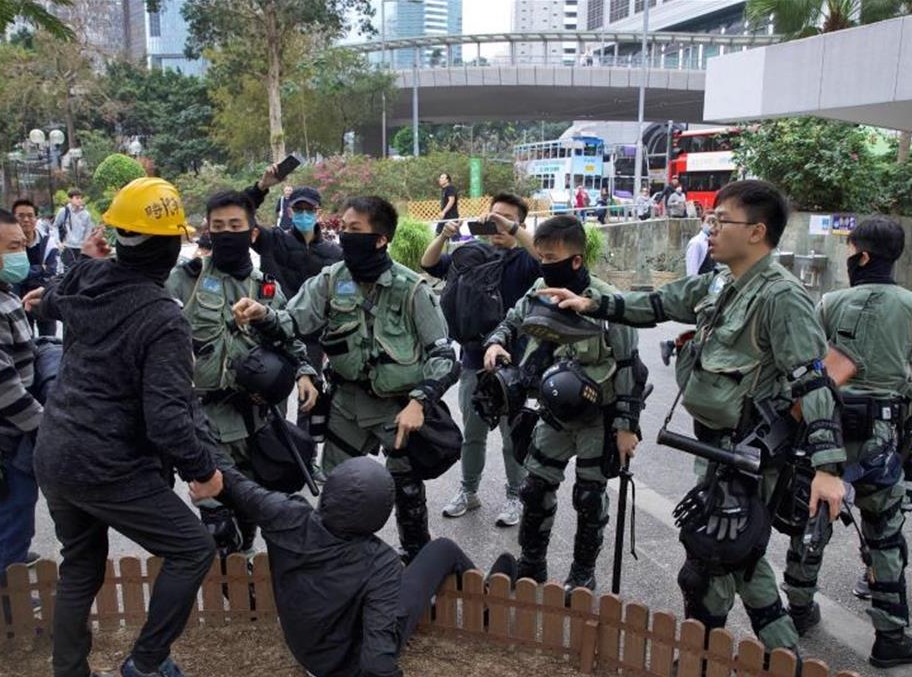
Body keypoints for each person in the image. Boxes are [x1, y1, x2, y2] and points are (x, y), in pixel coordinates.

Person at [540, 180, 847, 658]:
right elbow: (659, 305)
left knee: (721, 554)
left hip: (750, 452)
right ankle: (741, 660)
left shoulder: (781, 297)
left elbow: (812, 380)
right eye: (713, 218)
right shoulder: (719, 282)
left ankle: (755, 661)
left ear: (757, 232)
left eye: (722, 220)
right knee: (729, 556)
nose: (712, 227)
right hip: (715, 447)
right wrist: (593, 303)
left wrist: (827, 470)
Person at [29, 177, 222, 677]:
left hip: (58, 449)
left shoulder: (86, 275)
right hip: (108, 462)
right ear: (169, 246)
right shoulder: (161, 316)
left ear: (116, 237)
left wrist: (87, 258)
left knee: (81, 565)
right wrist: (202, 470)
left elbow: (48, 303)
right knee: (191, 549)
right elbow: (166, 418)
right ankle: (149, 659)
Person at [780, 217, 912, 668]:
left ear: (863, 255)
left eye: (851, 248)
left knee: (812, 517)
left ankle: (796, 611)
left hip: (827, 430)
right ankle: (890, 636)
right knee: (885, 533)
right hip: (883, 437)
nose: (849, 256)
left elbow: (808, 360)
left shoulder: (829, 302)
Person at [231, 195, 459, 564]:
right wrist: (262, 313)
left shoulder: (411, 288)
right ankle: (337, 564)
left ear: (381, 238)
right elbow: (294, 321)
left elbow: (445, 356)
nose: (346, 235)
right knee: (337, 492)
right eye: (344, 228)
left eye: (356, 230)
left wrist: (420, 402)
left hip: (397, 408)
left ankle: (416, 560)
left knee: (407, 489)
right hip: (346, 406)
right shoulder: (330, 280)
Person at [202, 452, 513, 677]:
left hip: (304, 649)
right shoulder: (381, 563)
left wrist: (203, 468)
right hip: (345, 670)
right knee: (442, 548)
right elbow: (376, 664)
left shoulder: (286, 514)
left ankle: (447, 599)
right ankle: (486, 603)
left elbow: (237, 484)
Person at [483, 215, 644, 593]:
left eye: (552, 256)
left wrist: (626, 428)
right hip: (552, 415)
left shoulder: (607, 303)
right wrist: (496, 341)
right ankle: (531, 564)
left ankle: (582, 573)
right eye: (540, 256)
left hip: (596, 418)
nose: (544, 264)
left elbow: (629, 370)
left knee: (589, 499)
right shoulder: (539, 290)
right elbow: (510, 321)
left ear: (576, 260)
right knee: (535, 490)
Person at [165, 190, 317, 556]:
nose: (226, 232)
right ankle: (230, 590)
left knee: (250, 512)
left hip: (254, 421)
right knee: (218, 525)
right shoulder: (187, 279)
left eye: (235, 225)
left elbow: (291, 339)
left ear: (252, 232)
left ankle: (248, 580)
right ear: (208, 231)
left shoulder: (266, 286)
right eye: (218, 226)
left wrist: (305, 371)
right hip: (205, 421)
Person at [420, 193, 541, 526]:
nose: (497, 224)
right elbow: (429, 264)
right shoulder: (473, 256)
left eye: (505, 218)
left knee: (512, 435)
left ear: (519, 222)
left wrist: (514, 231)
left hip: (513, 363)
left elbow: (544, 256)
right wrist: (444, 236)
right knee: (473, 433)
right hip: (473, 360)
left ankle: (516, 496)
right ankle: (468, 491)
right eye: (493, 217)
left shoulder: (526, 262)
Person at [243, 174, 344, 484]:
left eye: (308, 210)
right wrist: (261, 186)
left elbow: (337, 300)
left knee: (309, 402)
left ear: (318, 213)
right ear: (289, 211)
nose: (302, 214)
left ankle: (307, 460)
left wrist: (331, 340)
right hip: (273, 334)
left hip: (312, 339)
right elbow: (244, 215)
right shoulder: (273, 241)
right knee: (272, 400)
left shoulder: (334, 254)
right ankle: (272, 460)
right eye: (297, 209)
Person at [0, 208, 42, 618]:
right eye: (13, 247)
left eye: (24, 245)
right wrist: (47, 428)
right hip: (0, 435)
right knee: (7, 516)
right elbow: (4, 391)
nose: (23, 254)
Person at [11, 199, 60, 336]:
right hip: (18, 301)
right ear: (13, 218)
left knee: (50, 341)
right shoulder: (9, 245)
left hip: (43, 298)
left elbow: (52, 270)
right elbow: (14, 273)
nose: (26, 220)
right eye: (20, 216)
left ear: (36, 218)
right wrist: (40, 269)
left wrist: (26, 272)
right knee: (25, 342)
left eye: (30, 215)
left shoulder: (48, 242)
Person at [54, 189, 94, 271]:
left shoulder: (86, 214)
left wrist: (86, 245)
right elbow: (55, 226)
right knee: (68, 272)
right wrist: (58, 242)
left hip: (81, 247)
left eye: (80, 198)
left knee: (81, 271)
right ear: (70, 199)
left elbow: (88, 230)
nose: (80, 200)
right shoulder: (64, 211)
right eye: (77, 198)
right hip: (68, 247)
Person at [684, 213, 717, 277]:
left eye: (715, 222)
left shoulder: (713, 242)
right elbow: (692, 272)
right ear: (702, 224)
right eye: (709, 221)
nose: (712, 225)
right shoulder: (696, 243)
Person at [436, 172, 459, 237]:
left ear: (447, 180)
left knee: (454, 236)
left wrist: (443, 212)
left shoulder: (450, 188)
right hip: (444, 217)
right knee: (438, 234)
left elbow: (451, 201)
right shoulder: (444, 189)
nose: (440, 179)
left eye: (442, 178)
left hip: (451, 217)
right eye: (440, 178)